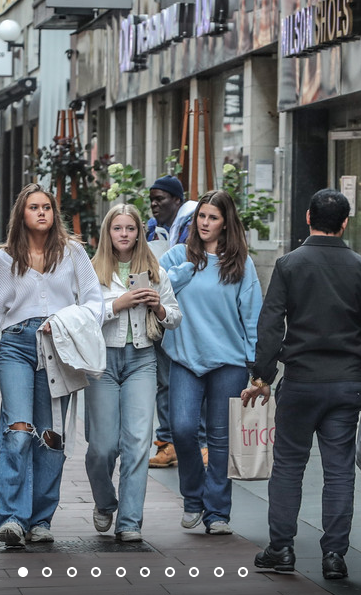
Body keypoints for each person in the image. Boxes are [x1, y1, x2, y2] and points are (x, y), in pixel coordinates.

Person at [246, 188, 361, 580]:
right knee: (339, 470)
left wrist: (262, 375)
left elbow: (271, 323)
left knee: (288, 466)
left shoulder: (289, 264)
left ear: (308, 218)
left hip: (301, 382)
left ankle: (282, 548)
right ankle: (334, 556)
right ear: (345, 223)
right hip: (345, 385)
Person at [0, 183, 103, 547]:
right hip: (16, 346)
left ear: (53, 213)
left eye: (46, 207)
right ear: (21, 214)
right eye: (33, 207)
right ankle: (12, 518)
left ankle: (41, 519)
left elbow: (95, 301)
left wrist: (66, 321)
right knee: (17, 430)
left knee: (50, 435)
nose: (41, 212)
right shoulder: (5, 258)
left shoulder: (73, 253)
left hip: (59, 349)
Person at [159, 189, 261, 536]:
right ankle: (192, 499)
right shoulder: (176, 257)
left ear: (225, 223)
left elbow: (252, 315)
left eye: (212, 217)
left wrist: (256, 366)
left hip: (229, 362)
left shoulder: (240, 263)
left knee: (221, 439)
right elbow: (155, 295)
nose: (205, 223)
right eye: (201, 216)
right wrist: (184, 273)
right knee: (183, 429)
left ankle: (217, 513)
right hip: (186, 359)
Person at [85, 204, 181, 543]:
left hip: (142, 360)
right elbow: (82, 316)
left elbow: (174, 316)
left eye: (130, 228)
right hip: (102, 363)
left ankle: (129, 522)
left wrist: (157, 305)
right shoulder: (92, 269)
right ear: (107, 232)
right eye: (117, 228)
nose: (124, 234)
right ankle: (105, 501)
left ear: (139, 232)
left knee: (138, 443)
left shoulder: (154, 269)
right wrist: (118, 304)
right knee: (102, 446)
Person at [145, 174, 199, 469]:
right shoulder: (156, 228)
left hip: (189, 316)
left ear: (177, 200)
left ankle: (197, 443)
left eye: (160, 199)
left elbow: (189, 268)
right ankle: (166, 443)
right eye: (152, 199)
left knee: (191, 378)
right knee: (164, 381)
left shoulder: (191, 226)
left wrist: (162, 279)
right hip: (162, 313)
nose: (154, 205)